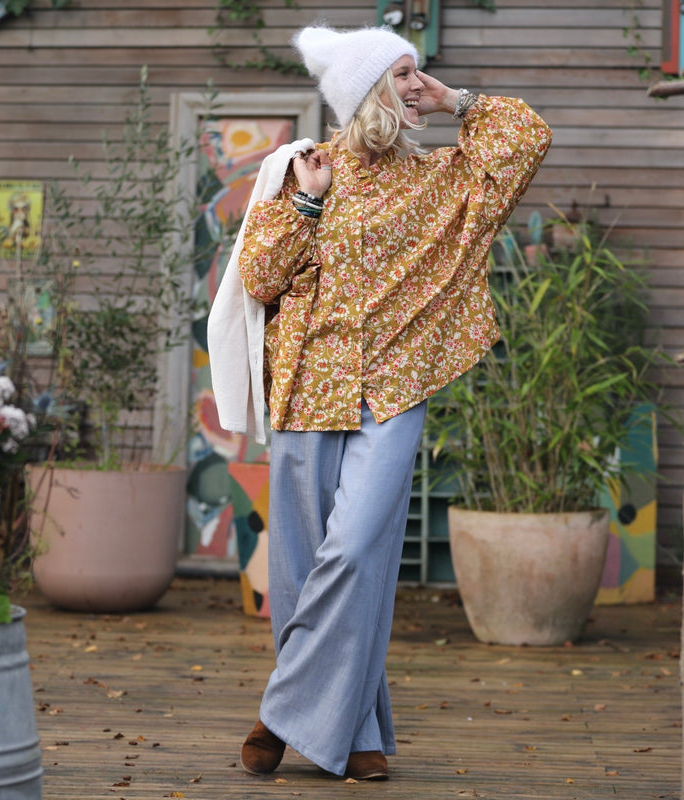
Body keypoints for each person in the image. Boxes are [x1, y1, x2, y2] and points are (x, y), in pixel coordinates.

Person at [206, 24, 553, 781]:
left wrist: (455, 100)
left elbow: (526, 137)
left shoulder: (439, 179)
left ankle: (279, 712)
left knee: (355, 549)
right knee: (304, 567)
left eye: (418, 72)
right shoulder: (304, 167)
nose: (416, 83)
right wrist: (306, 204)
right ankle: (355, 730)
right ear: (364, 91)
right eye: (401, 74)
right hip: (307, 386)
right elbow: (259, 278)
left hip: (393, 390)